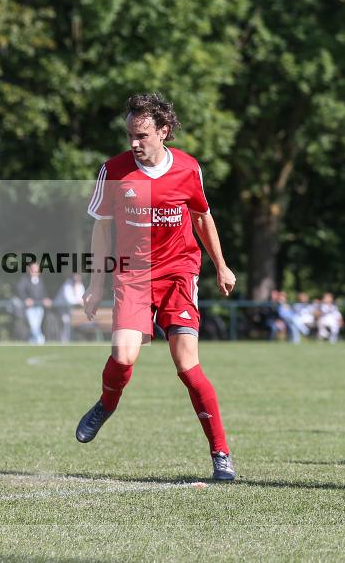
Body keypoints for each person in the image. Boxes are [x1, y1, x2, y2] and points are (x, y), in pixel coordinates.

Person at [75, 93, 237, 481]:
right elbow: (100, 228)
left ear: (163, 132)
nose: (134, 143)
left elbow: (203, 219)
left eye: (142, 135)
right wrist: (95, 285)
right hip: (132, 274)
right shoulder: (113, 171)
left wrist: (222, 265)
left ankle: (221, 455)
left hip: (179, 272)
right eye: (130, 134)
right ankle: (106, 403)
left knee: (187, 364)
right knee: (125, 355)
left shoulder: (187, 169)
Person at [16, 263, 52, 344]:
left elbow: (44, 293)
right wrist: (26, 299)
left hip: (39, 307)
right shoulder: (25, 280)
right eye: (33, 269)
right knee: (33, 325)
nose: (34, 271)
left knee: (36, 325)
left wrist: (46, 299)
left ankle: (32, 341)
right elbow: (20, 290)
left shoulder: (41, 280)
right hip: (29, 308)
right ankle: (40, 340)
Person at [54, 273, 85, 343]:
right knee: (66, 322)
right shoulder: (67, 285)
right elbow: (69, 300)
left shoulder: (80, 285)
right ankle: (64, 341)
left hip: (72, 309)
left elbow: (82, 297)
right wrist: (79, 301)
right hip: (60, 308)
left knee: (71, 323)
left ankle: (69, 339)